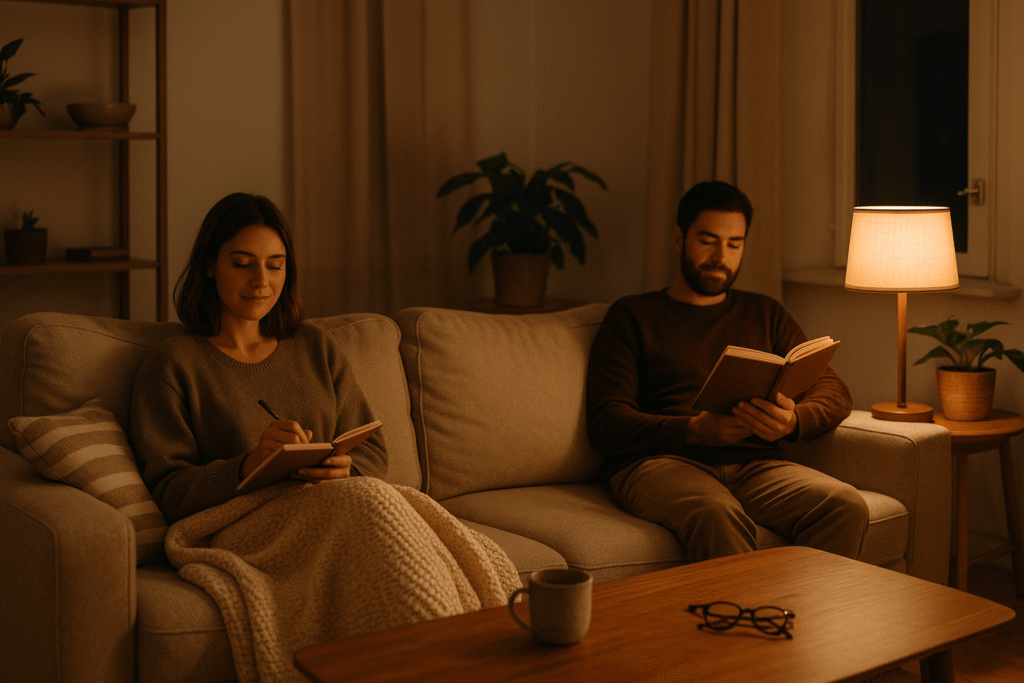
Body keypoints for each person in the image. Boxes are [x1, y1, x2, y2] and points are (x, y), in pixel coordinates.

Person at [586, 180, 868, 563]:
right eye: (708, 240)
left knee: (844, 504)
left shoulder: (763, 313)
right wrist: (695, 431)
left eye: (734, 244)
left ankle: (800, 618)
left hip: (756, 465)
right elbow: (606, 423)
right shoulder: (633, 316)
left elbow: (834, 391)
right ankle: (742, 623)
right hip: (661, 462)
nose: (722, 255)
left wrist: (792, 421)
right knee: (718, 513)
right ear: (678, 239)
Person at [131, 192, 387, 523]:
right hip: (245, 525)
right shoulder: (174, 364)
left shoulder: (317, 347)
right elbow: (169, 491)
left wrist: (346, 471)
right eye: (242, 264)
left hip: (334, 509)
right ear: (210, 265)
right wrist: (249, 465)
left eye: (275, 265)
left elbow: (373, 450)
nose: (261, 281)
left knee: (415, 521)